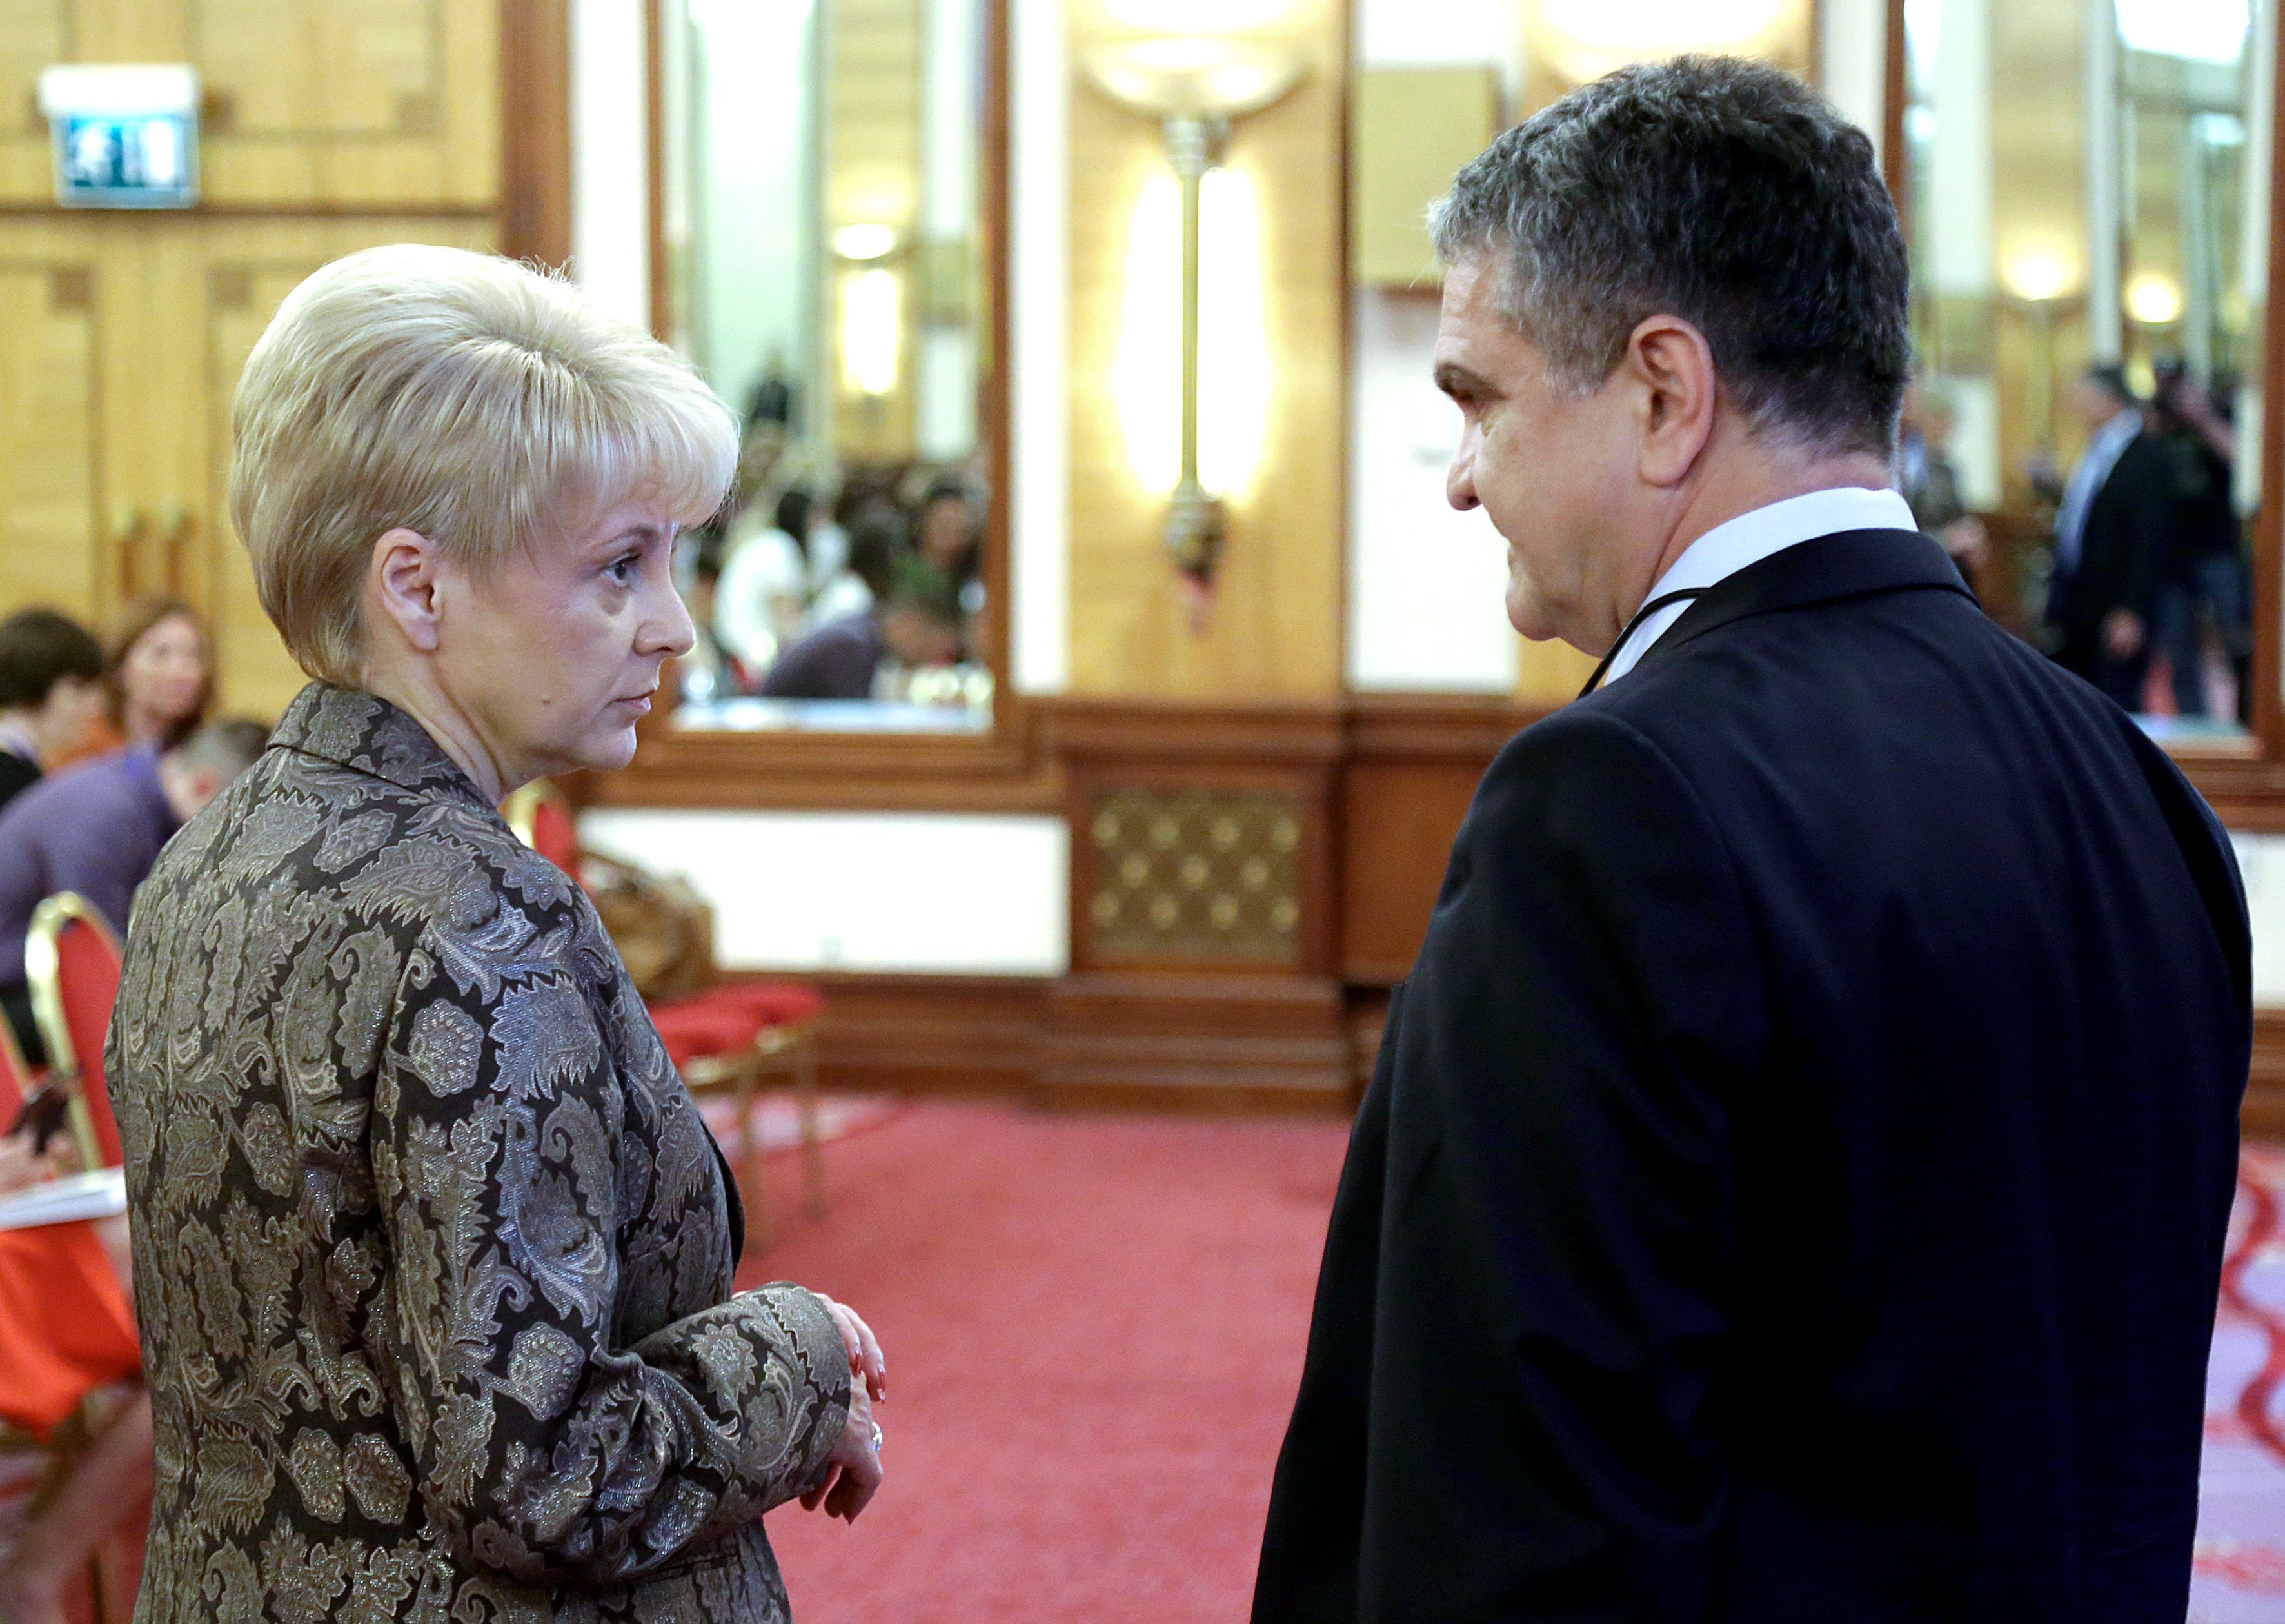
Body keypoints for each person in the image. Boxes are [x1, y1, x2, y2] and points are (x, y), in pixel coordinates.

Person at [1253, 57, 2248, 1624]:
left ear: (1663, 392)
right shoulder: (2134, 787)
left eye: (1479, 398)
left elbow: (1516, 1504)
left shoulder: (1614, 801)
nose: (1459, 477)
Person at [114, 243, 886, 1624]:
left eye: (671, 562)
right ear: (417, 589)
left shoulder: (207, 858)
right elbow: (543, 1475)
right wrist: (800, 1352)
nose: (674, 627)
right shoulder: (480, 917)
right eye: (618, 566)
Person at [0, 717, 267, 1065]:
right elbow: (97, 955)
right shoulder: (108, 812)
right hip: (12, 994)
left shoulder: (140, 780)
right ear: (203, 785)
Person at [2046, 365, 2186, 711]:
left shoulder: (2145, 454)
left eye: (2083, 394)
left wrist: (2130, 609)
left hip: (2116, 602)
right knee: (2080, 699)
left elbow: (2150, 538)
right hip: (2081, 596)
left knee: (2114, 700)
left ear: (2108, 398)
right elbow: (2088, 514)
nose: (2075, 403)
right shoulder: (2097, 447)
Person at [2148, 357, 2250, 721]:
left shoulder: (2219, 414)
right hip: (2171, 557)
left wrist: (2202, 417)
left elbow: (2245, 459)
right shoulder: (2156, 421)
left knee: (2238, 640)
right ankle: (2193, 720)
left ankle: (2247, 720)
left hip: (2218, 549)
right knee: (2179, 650)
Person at [760, 594, 962, 701]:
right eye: (933, 645)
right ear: (910, 626)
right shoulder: (853, 645)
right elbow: (857, 720)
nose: (930, 657)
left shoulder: (863, 634)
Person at [0, 609, 104, 812]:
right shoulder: (12, 777)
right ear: (31, 684)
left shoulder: (21, 768)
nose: (93, 710)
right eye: (79, 689)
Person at [95, 597, 211, 754]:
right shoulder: (84, 752)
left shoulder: (211, 754)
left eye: (192, 655)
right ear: (120, 666)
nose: (180, 672)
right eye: (161, 653)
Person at [1897, 379, 1987, 578]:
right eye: (1942, 419)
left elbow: (1958, 515)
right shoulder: (1896, 461)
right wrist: (1944, 539)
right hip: (1908, 565)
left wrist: (1971, 532)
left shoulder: (1946, 470)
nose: (1947, 429)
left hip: (1942, 567)